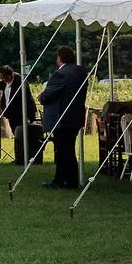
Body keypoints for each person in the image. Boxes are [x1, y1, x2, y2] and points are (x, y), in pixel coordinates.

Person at [39, 46, 91, 190]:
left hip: (61, 118)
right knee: (68, 149)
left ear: (60, 58)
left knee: (63, 151)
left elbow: (49, 94)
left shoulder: (60, 74)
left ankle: (64, 181)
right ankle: (64, 179)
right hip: (75, 117)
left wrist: (41, 97)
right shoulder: (81, 71)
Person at [0, 65, 28, 164]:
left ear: (10, 75)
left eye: (4, 77)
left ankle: (24, 158)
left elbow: (27, 100)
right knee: (16, 136)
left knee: (22, 136)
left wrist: (28, 116)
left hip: (21, 113)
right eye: (1, 77)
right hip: (11, 113)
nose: (3, 80)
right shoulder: (5, 82)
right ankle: (19, 158)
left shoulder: (20, 82)